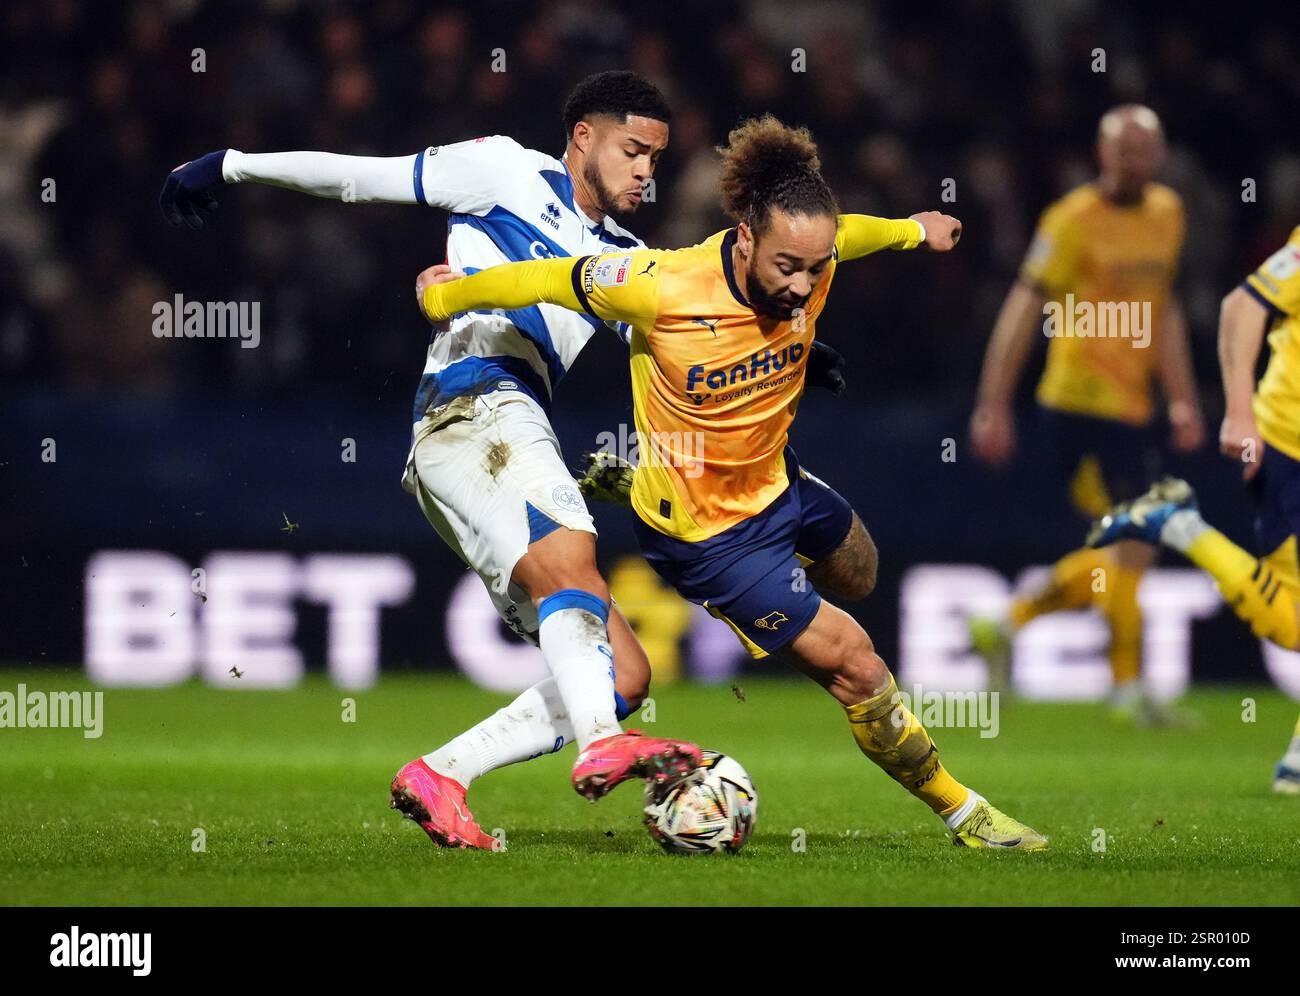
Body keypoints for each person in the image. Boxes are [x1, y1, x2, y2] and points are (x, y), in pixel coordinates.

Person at [418, 115, 1048, 849]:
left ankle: (657, 485)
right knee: (856, 666)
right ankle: (964, 813)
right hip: (710, 538)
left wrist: (914, 229)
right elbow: (548, 277)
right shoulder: (658, 284)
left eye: (816, 269)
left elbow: (857, 235)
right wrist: (449, 297)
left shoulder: (816, 252)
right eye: (788, 267)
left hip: (776, 479)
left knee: (861, 571)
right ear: (746, 238)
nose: (803, 285)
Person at [160, 71, 704, 849]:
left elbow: (696, 339)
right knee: (573, 559)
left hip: (485, 441)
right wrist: (234, 164)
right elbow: (359, 178)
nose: (647, 171)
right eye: (634, 150)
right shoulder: (506, 170)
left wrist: (793, 348)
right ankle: (600, 747)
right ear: (583, 135)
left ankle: (443, 774)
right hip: (476, 403)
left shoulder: (628, 259)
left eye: (656, 157)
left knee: (623, 674)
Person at [967, 105, 1204, 721]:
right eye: (1122, 149)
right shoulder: (1069, 219)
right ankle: (1125, 688)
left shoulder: (1168, 214)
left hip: (1133, 407)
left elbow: (1166, 311)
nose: (1134, 161)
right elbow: (1023, 308)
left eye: (1145, 149)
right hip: (1077, 402)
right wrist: (994, 404)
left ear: (1159, 154)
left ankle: (1006, 622)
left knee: (1128, 547)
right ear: (1102, 154)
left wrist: (1181, 398)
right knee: (1138, 538)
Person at [1089, 224, 1300, 793]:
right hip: (1289, 445)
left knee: (1289, 623)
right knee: (1292, 625)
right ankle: (1177, 524)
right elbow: (1241, 306)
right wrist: (1239, 413)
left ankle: (1298, 762)